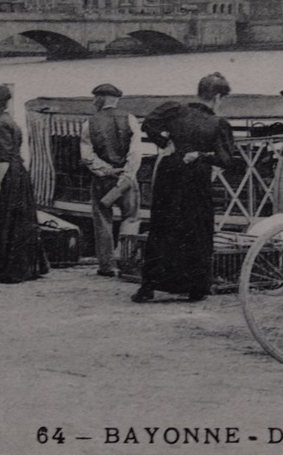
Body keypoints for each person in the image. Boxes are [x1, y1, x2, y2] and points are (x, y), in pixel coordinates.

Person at [135, 72, 240, 303]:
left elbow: (148, 124)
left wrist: (165, 143)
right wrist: (202, 155)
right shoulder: (218, 123)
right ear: (218, 97)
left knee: (161, 226)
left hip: (169, 173)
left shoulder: (175, 109)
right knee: (197, 229)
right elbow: (226, 160)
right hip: (195, 178)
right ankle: (195, 288)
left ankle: (148, 286)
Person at [0, 83, 48, 284]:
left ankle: (5, 267)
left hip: (5, 176)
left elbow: (4, 158)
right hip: (13, 174)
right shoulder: (4, 120)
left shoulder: (0, 124)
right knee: (4, 220)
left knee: (2, 220)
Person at [80, 84, 140, 278]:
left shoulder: (89, 123)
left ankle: (106, 266)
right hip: (127, 179)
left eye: (94, 98)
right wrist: (127, 174)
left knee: (102, 221)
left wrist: (105, 170)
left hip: (102, 180)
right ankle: (126, 262)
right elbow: (136, 151)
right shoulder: (130, 118)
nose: (92, 102)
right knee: (130, 218)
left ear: (101, 99)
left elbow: (87, 155)